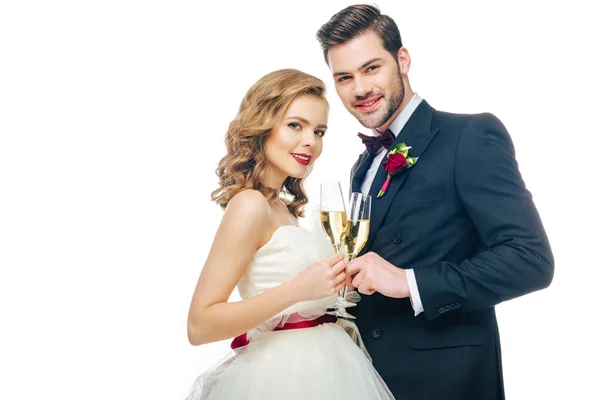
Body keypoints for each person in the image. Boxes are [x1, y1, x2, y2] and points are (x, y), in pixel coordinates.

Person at [316, 5, 554, 399]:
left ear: (402, 60)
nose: (359, 89)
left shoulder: (471, 135)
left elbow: (530, 259)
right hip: (366, 378)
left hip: (445, 382)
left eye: (371, 68)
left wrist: (409, 282)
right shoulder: (363, 163)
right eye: (345, 77)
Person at [184, 68, 395, 400]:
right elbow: (199, 325)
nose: (310, 141)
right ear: (263, 126)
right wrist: (298, 289)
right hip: (282, 379)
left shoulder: (283, 208)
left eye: (319, 130)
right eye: (295, 125)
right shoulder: (250, 205)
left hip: (329, 369)